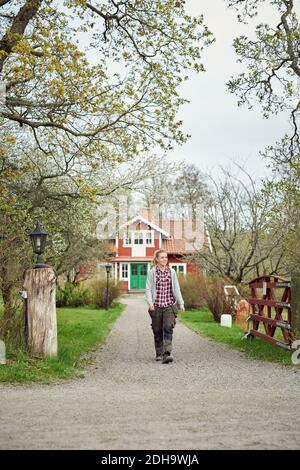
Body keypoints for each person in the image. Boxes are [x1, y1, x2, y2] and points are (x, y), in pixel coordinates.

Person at [145, 249, 185, 364]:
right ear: (157, 259)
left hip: (169, 305)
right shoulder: (152, 272)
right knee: (157, 330)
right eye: (162, 257)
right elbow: (148, 288)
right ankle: (159, 352)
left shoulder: (171, 272)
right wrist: (150, 302)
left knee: (168, 328)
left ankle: (167, 353)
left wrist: (181, 303)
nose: (165, 259)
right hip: (156, 305)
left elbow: (176, 288)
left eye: (166, 257)